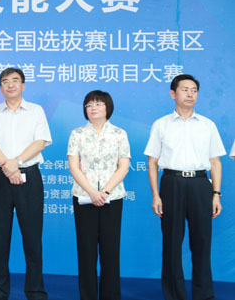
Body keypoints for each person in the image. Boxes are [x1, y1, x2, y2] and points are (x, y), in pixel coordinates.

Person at [145, 74, 225, 300]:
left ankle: (204, 295)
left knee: (202, 243)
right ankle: (174, 295)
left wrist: (216, 194)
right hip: (171, 184)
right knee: (172, 243)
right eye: (185, 89)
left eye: (194, 90)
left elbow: (215, 162)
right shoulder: (161, 124)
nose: (190, 94)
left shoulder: (208, 125)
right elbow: (152, 162)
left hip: (201, 184)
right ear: (173, 93)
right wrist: (156, 195)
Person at [0, 67, 52, 300]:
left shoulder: (36, 111)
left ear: (23, 85)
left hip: (29, 177)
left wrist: (17, 162)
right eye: (5, 81)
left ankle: (35, 291)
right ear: (0, 87)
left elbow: (40, 142)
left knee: (32, 238)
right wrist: (8, 166)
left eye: (15, 80)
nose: (10, 85)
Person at [67, 90, 130, 300]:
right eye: (89, 105)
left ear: (107, 107)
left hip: (112, 198)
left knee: (110, 250)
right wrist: (92, 192)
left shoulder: (119, 134)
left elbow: (123, 166)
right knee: (86, 251)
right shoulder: (77, 134)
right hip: (84, 198)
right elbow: (74, 167)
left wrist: (104, 192)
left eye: (98, 104)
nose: (93, 108)